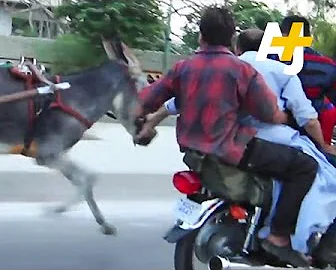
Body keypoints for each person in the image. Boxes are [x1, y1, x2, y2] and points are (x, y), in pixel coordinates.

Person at [134, 7, 318, 267]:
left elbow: (146, 101)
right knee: (304, 166)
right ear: (232, 39)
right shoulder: (242, 70)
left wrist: (143, 124)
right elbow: (269, 113)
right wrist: (282, 117)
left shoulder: (182, 68)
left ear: (200, 36)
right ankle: (278, 236)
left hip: (193, 151)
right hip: (230, 148)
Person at [273, 15, 336, 146]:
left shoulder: (267, 61)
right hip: (311, 139)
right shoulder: (327, 66)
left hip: (269, 135)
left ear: (282, 35)